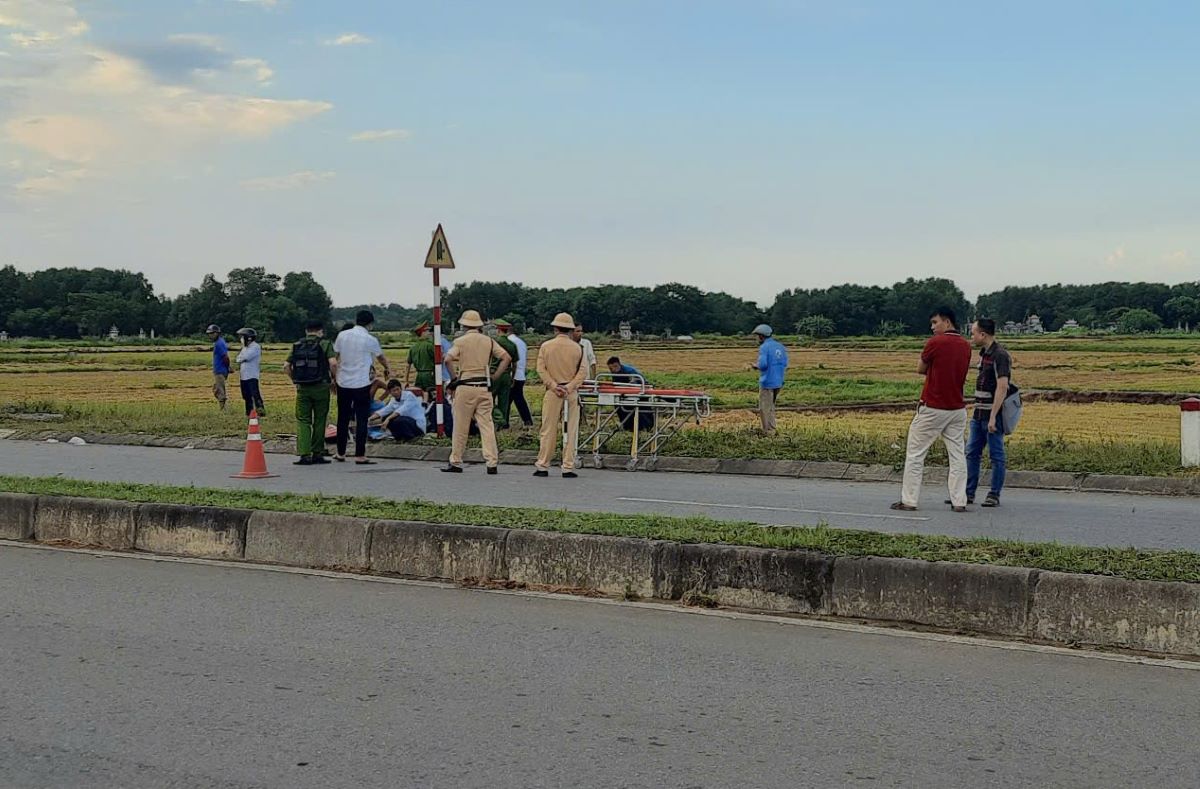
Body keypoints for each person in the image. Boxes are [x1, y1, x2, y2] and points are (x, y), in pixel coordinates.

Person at [891, 307, 972, 512]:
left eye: (935, 322)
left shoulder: (935, 342)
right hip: (957, 408)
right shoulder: (965, 345)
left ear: (946, 322)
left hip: (933, 407)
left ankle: (909, 500)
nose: (933, 327)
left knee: (916, 455)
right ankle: (959, 501)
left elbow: (920, 369)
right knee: (957, 455)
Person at [442, 310, 511, 474]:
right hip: (483, 386)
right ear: (479, 325)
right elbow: (506, 358)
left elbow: (447, 359)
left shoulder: (460, 341)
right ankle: (492, 462)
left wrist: (454, 379)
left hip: (465, 386)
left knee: (460, 426)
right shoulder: (489, 341)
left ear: (464, 325)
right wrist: (495, 376)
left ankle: (456, 461)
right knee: (486, 425)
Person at [963, 318, 1015, 508]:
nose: (972, 336)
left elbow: (1002, 386)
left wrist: (994, 416)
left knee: (996, 455)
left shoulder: (1000, 355)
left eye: (973, 332)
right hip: (978, 413)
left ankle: (994, 494)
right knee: (972, 453)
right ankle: (968, 493)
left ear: (983, 334)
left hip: (993, 415)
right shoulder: (984, 353)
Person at [333, 309, 392, 465]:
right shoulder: (370, 339)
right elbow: (380, 357)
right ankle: (360, 454)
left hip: (343, 382)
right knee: (361, 419)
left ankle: (340, 452)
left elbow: (335, 357)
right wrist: (388, 369)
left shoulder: (342, 336)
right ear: (370, 324)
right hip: (361, 383)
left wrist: (333, 377)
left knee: (343, 417)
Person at [535, 312, 587, 478]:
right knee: (571, 429)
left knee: (548, 428)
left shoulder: (546, 346)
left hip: (552, 391)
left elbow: (540, 369)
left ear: (555, 328)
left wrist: (553, 385)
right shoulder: (578, 348)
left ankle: (543, 465)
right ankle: (567, 466)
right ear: (571, 329)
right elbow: (583, 371)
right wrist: (570, 386)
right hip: (570, 392)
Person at [284, 319, 338, 466]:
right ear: (320, 331)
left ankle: (304, 454)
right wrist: (334, 380)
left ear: (306, 331)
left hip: (303, 388)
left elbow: (286, 366)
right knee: (320, 420)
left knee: (303, 420)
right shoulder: (325, 344)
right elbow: (333, 363)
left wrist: (295, 380)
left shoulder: (297, 345)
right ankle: (317, 453)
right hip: (321, 386)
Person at [749, 324, 788, 434]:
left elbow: (763, 365)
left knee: (764, 408)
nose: (756, 339)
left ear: (761, 336)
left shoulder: (764, 347)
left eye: (757, 336)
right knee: (771, 406)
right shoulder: (780, 346)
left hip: (767, 381)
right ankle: (772, 428)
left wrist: (754, 366)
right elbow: (785, 363)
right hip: (778, 381)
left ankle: (768, 431)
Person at [500, 321, 534, 428]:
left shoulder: (508, 342)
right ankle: (526, 420)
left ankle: (505, 422)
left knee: (509, 400)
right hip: (520, 374)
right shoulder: (521, 342)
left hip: (512, 375)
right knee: (516, 399)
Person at [607, 356, 653, 432]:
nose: (611, 371)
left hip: (639, 393)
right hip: (625, 393)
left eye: (612, 368)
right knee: (620, 407)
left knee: (641, 410)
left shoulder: (629, 371)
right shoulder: (615, 373)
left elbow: (635, 383)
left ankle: (644, 427)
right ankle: (627, 426)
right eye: (610, 369)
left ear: (617, 365)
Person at [490, 320, 519, 429]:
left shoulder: (494, 342)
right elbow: (515, 363)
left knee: (489, 398)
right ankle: (504, 424)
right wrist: (512, 377)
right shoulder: (512, 345)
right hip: (507, 374)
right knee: (504, 400)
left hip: (494, 373)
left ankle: (498, 419)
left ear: (498, 329)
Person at [234, 327, 265, 416]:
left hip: (252, 375)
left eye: (242, 337)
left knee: (255, 394)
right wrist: (241, 358)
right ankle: (249, 412)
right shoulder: (245, 348)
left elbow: (245, 357)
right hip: (243, 375)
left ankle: (260, 410)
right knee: (246, 395)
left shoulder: (255, 347)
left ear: (248, 338)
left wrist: (241, 358)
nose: (241, 339)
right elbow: (238, 358)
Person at [404, 321, 438, 391]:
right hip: (430, 375)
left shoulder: (413, 347)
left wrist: (406, 380)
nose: (429, 333)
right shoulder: (430, 345)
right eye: (427, 331)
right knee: (433, 395)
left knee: (419, 395)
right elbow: (438, 359)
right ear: (423, 333)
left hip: (419, 376)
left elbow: (408, 365)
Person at [207, 324, 230, 411]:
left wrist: (227, 367)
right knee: (216, 389)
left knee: (219, 390)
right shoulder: (219, 342)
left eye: (212, 333)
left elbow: (225, 357)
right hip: (219, 370)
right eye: (209, 334)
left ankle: (223, 409)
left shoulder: (219, 343)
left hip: (220, 370)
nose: (210, 335)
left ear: (217, 333)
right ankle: (224, 407)